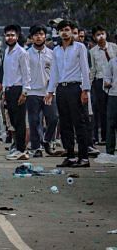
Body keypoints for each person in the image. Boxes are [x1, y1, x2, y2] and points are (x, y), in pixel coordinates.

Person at [45, 20, 91, 168]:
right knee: (64, 124)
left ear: (72, 31)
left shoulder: (79, 47)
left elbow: (85, 69)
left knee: (79, 123)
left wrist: (85, 90)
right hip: (62, 89)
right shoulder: (57, 50)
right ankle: (70, 156)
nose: (64, 33)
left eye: (66, 29)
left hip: (75, 88)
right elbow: (54, 72)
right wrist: (50, 92)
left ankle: (84, 158)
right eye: (61, 30)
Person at [0, 24, 32, 160]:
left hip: (19, 89)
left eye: (12, 35)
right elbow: (5, 73)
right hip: (9, 90)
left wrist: (24, 92)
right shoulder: (6, 51)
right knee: (13, 122)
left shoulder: (22, 52)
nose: (10, 37)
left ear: (17, 36)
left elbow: (26, 73)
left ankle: (22, 149)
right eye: (7, 35)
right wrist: (3, 91)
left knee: (20, 121)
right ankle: (16, 147)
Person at [26, 25, 62, 157]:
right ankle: (36, 148)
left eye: (41, 34)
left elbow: (56, 73)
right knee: (34, 121)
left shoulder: (52, 54)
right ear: (31, 38)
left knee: (53, 118)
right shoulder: (27, 54)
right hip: (32, 92)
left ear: (45, 36)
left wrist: (52, 90)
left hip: (49, 92)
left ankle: (46, 140)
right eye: (36, 35)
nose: (39, 37)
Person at [89, 25, 117, 146]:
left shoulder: (114, 47)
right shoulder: (92, 51)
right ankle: (104, 137)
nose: (101, 37)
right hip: (100, 80)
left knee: (112, 109)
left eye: (102, 33)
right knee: (101, 109)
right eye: (97, 35)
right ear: (94, 37)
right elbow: (93, 69)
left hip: (114, 81)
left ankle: (110, 137)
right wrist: (89, 84)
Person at [103, 54, 117, 155]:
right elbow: (107, 77)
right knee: (111, 123)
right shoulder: (113, 62)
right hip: (114, 95)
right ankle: (110, 150)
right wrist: (108, 83)